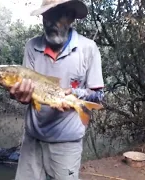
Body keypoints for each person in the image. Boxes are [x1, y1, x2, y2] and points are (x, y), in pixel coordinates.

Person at [9, 0, 104, 179]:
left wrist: (76, 94)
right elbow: (26, 95)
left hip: (67, 144)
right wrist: (19, 96)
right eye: (47, 16)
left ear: (70, 17)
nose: (51, 22)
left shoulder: (88, 49)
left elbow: (99, 95)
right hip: (32, 140)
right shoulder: (32, 46)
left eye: (57, 15)